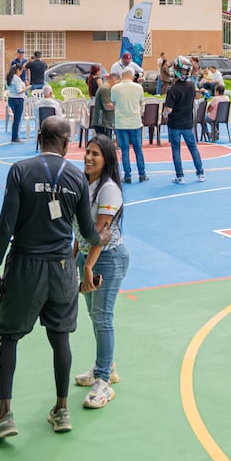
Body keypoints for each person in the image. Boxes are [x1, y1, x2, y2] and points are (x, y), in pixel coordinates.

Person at [0, 117, 105, 439]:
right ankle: (62, 409)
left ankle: (5, 415)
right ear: (67, 143)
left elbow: (5, 225)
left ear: (39, 137)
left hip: (25, 266)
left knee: (8, 337)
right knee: (60, 337)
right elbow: (88, 230)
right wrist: (100, 240)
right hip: (62, 270)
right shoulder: (77, 178)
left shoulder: (20, 171)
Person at [72, 135, 128, 409]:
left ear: (106, 160)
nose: (88, 157)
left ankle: (103, 382)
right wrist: (75, 259)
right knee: (95, 317)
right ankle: (106, 365)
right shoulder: (84, 184)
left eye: (95, 154)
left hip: (107, 259)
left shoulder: (108, 189)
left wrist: (88, 266)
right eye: (87, 152)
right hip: (89, 258)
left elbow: (100, 233)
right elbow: (79, 229)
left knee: (103, 318)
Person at [163, 56, 205, 184]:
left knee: (176, 150)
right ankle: (200, 173)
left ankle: (180, 176)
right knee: (193, 148)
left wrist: (164, 114)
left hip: (175, 124)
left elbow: (168, 110)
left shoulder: (173, 89)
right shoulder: (191, 86)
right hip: (188, 123)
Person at [111, 68, 147, 184]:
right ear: (132, 76)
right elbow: (141, 103)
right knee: (138, 149)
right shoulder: (138, 87)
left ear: (122, 75)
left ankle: (127, 176)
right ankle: (142, 174)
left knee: (124, 151)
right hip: (135, 122)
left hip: (121, 123)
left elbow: (114, 103)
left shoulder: (115, 88)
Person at [6, 63, 27, 143]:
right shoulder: (17, 78)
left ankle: (15, 135)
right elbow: (19, 91)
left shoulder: (9, 77)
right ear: (18, 70)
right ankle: (15, 137)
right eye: (21, 71)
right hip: (17, 100)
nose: (21, 73)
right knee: (17, 119)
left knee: (16, 119)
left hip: (11, 98)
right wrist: (26, 88)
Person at [92, 72, 117, 139]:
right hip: (103, 121)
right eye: (117, 82)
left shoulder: (106, 88)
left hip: (105, 121)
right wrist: (118, 106)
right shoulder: (105, 89)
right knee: (105, 142)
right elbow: (107, 106)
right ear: (113, 80)